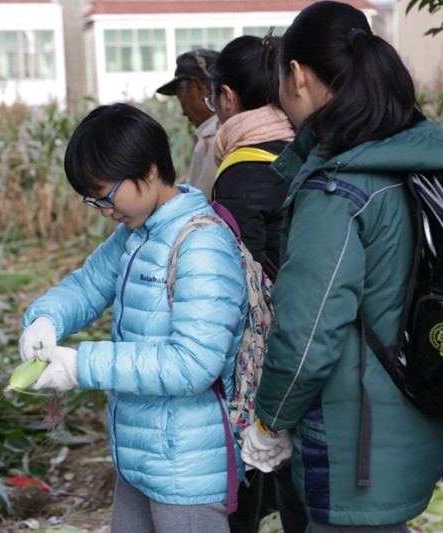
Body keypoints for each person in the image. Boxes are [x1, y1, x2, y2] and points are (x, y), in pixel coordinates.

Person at [242, 2, 443, 531]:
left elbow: (307, 333)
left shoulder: (338, 190)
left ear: (298, 76)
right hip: (413, 416)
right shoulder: (413, 155)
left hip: (354, 445)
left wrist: (269, 420)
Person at [18, 103, 249, 533]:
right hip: (140, 454)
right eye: (94, 200)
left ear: (147, 167)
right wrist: (45, 319)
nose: (104, 210)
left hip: (186, 468)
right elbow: (88, 285)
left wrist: (81, 365)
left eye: (106, 194)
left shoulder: (201, 245)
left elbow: (193, 364)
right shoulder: (137, 234)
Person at [207, 33, 304, 533]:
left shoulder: (242, 169)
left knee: (260, 477)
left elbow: (242, 280)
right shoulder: (305, 149)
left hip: (271, 361)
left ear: (227, 98)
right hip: (315, 346)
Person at [208, 34, 295, 281]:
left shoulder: (241, 171)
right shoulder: (302, 145)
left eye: (210, 98)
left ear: (226, 96)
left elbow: (244, 273)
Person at [156, 48, 220, 196]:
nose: (183, 112)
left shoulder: (213, 140)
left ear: (198, 86)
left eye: (180, 98)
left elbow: (202, 203)